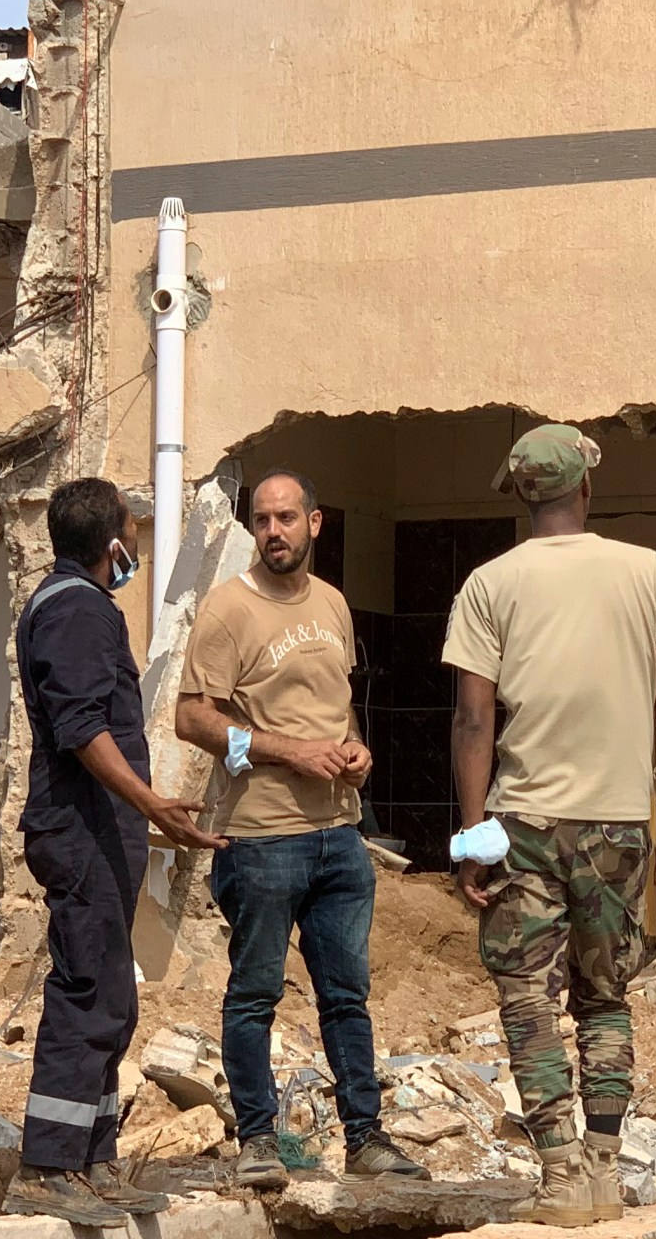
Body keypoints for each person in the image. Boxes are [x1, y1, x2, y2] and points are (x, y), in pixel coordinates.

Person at [444, 424, 656, 1228]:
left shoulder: (488, 583)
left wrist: (472, 834)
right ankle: (606, 1167)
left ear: (522, 496)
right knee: (606, 993)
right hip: (619, 819)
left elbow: (472, 722)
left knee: (526, 994)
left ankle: (558, 1176)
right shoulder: (649, 572)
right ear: (586, 490)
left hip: (522, 820)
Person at [175, 471, 428, 1189]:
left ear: (316, 522)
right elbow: (192, 719)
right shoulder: (227, 611)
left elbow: (337, 707)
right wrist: (285, 749)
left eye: (287, 518)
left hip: (340, 838)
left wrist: (355, 750)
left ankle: (366, 1138)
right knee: (255, 993)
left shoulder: (334, 605)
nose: (274, 531)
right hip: (260, 839)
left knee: (346, 995)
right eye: (262, 520)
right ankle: (257, 1140)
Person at [3, 479, 227, 1227]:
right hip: (82, 826)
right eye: (134, 531)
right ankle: (48, 1165)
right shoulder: (76, 608)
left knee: (112, 995)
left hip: (100, 827)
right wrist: (149, 800)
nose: (136, 545)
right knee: (87, 989)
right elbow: (81, 726)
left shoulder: (72, 603)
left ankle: (92, 1156)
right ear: (112, 543)